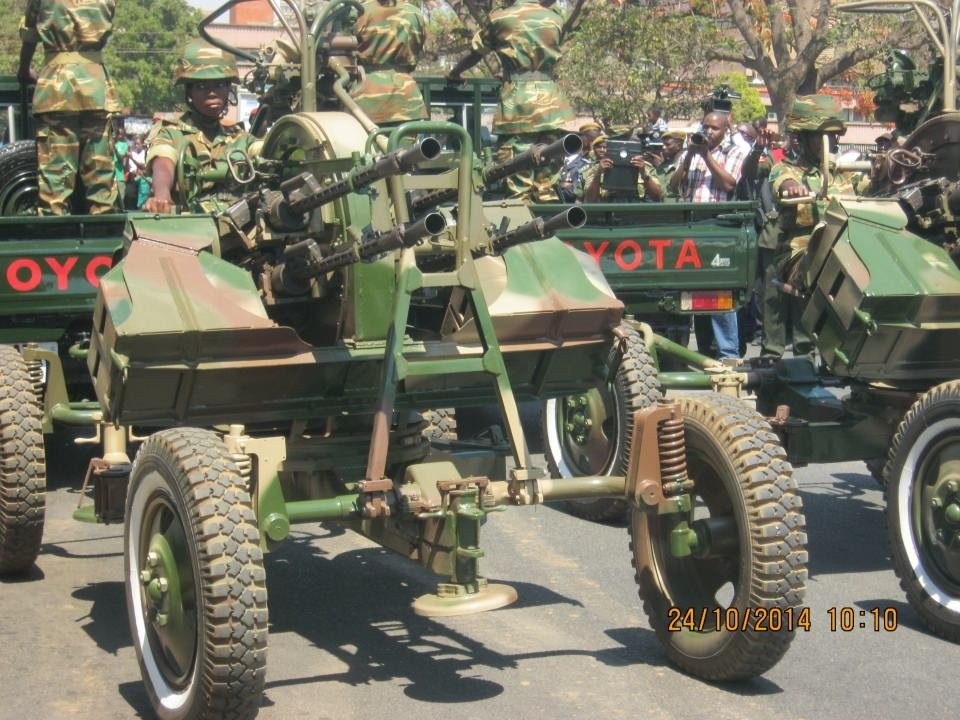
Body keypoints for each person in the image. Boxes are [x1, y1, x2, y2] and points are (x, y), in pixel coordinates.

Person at [761, 95, 860, 359]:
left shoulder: (845, 171)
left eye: (832, 136)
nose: (828, 143)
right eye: (820, 136)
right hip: (798, 249)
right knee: (809, 276)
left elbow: (873, 189)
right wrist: (790, 188)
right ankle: (784, 359)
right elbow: (781, 181)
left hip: (842, 249)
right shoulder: (786, 168)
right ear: (801, 138)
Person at [446, 0, 574, 202]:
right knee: (547, 180)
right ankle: (548, 220)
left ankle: (522, 225)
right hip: (551, 104)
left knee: (517, 175)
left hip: (518, 105)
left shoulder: (500, 18)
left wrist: (455, 72)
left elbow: (477, 53)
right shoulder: (555, 18)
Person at [18, 0, 121, 215]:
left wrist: (24, 70)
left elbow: (29, 35)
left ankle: (54, 239)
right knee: (100, 175)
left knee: (55, 181)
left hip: (56, 89)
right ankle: (103, 238)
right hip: (96, 87)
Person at [144, 40, 256, 215]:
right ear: (189, 92)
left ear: (229, 89)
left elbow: (265, 151)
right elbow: (163, 162)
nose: (212, 93)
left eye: (220, 85)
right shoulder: (171, 133)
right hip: (188, 228)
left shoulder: (241, 137)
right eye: (202, 86)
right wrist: (162, 194)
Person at [671, 110, 748, 361]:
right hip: (692, 228)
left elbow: (729, 184)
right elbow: (674, 186)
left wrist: (706, 156)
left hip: (719, 229)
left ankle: (728, 355)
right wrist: (689, 156)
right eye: (706, 127)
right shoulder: (690, 152)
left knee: (719, 291)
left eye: (714, 128)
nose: (708, 132)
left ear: (726, 129)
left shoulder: (734, 152)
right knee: (695, 292)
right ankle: (704, 353)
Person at [350, 0, 428, 126]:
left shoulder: (358, 12)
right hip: (408, 100)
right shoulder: (415, 14)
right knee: (404, 146)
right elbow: (418, 51)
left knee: (365, 145)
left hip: (366, 98)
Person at [583, 134, 661, 202]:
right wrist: (598, 174)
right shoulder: (596, 168)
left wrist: (644, 174)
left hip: (634, 211)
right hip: (607, 211)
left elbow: (657, 196)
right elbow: (589, 199)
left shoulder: (644, 167)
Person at [558, 121, 601, 202]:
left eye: (582, 137)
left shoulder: (593, 162)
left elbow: (577, 191)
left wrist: (563, 188)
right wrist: (561, 185)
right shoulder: (572, 157)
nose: (580, 139)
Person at [649, 129, 684, 200]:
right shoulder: (662, 166)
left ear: (679, 145)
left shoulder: (685, 165)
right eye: (663, 144)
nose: (663, 147)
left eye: (668, 144)